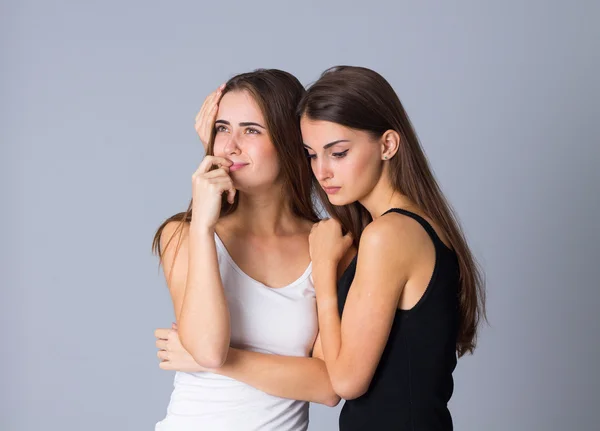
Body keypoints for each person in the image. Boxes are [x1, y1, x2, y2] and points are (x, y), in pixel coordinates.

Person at [151, 69, 345, 431]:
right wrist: (204, 225)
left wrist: (223, 361)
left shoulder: (326, 244)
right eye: (222, 128)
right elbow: (208, 348)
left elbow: (329, 385)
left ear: (290, 141)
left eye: (251, 130)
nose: (230, 146)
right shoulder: (184, 236)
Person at [299, 66, 486, 430]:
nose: (322, 172)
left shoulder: (390, 235)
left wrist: (323, 271)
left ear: (388, 144)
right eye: (311, 154)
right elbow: (324, 358)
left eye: (337, 153)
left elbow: (347, 382)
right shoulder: (403, 228)